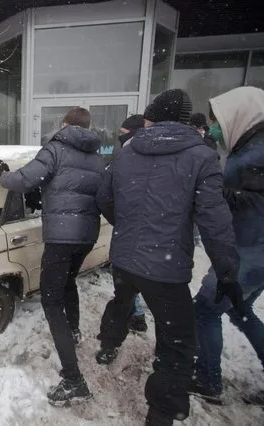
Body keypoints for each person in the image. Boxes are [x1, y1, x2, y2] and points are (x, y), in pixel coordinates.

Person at [94, 89, 241, 426]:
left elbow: (103, 197)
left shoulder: (127, 153)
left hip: (125, 257)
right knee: (176, 345)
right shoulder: (202, 157)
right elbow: (214, 220)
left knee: (121, 299)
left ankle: (107, 345)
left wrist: (127, 225)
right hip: (165, 267)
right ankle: (161, 414)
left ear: (151, 117)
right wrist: (227, 272)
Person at [0, 107, 104, 406]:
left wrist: (3, 175)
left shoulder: (55, 148)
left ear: (65, 124)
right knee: (68, 282)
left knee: (51, 301)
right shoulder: (96, 156)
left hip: (61, 236)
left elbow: (24, 180)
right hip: (86, 235)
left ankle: (73, 379)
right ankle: (74, 330)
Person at [190, 86, 264, 406]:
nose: (214, 126)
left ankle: (208, 379)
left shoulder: (257, 151)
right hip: (250, 249)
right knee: (240, 310)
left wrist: (219, 192)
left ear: (239, 115)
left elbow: (257, 204)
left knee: (205, 310)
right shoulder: (249, 146)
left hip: (249, 252)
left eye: (217, 119)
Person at [118, 114, 149, 333]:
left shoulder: (129, 157)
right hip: (152, 231)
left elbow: (107, 196)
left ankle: (135, 316)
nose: (120, 138)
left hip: (134, 229)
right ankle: (136, 316)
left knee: (128, 278)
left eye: (123, 133)